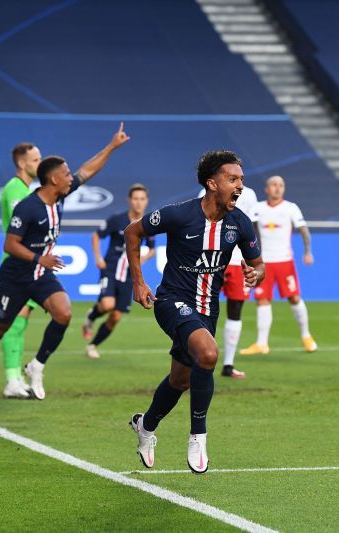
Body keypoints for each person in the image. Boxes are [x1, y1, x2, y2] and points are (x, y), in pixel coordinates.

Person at [124, 150, 264, 474]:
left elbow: (259, 264)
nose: (240, 185)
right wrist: (138, 282)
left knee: (180, 379)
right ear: (212, 183)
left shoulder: (240, 223)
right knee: (209, 354)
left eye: (241, 179)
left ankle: (145, 426)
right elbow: (133, 232)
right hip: (171, 300)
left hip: (207, 310)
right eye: (233, 179)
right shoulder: (180, 215)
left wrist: (256, 274)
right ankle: (198, 435)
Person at [0, 124, 130, 400]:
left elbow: (88, 170)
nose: (70, 177)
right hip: (16, 275)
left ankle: (36, 366)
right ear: (52, 180)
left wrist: (111, 146)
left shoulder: (60, 196)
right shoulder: (27, 206)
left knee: (63, 312)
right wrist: (41, 258)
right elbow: (10, 244)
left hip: (39, 273)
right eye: (64, 174)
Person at [239, 175, 316, 355]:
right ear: (266, 189)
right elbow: (249, 231)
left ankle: (306, 336)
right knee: (262, 300)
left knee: (294, 297)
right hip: (263, 263)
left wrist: (308, 251)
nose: (277, 188)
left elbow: (304, 230)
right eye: (273, 185)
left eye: (281, 185)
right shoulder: (257, 208)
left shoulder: (291, 208)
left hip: (284, 261)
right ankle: (261, 343)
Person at [81, 183, 156, 359]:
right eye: (135, 199)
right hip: (110, 268)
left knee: (115, 316)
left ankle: (92, 345)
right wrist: (98, 258)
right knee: (107, 305)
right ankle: (91, 317)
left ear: (146, 201)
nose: (139, 203)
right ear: (129, 200)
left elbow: (152, 248)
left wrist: (144, 258)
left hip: (130, 274)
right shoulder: (117, 219)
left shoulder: (148, 223)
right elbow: (96, 236)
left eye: (142, 199)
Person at [197, 185, 259, 378]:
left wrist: (255, 259)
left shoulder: (249, 194)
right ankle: (196, 361)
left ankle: (228, 364)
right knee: (201, 308)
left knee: (235, 309)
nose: (237, 181)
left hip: (237, 262)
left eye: (239, 177)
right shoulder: (205, 193)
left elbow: (253, 227)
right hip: (210, 260)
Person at [0, 143, 41, 399]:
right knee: (13, 323)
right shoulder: (15, 189)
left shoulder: (26, 189)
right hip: (16, 265)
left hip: (29, 265)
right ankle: (11, 379)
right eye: (35, 159)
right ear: (23, 163)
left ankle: (15, 378)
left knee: (21, 322)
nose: (40, 162)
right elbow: (22, 227)